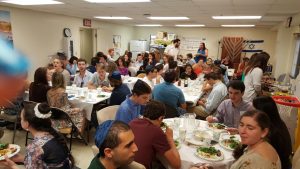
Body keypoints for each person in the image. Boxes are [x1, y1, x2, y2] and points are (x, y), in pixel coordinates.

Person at [0, 102, 73, 169]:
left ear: (27, 124)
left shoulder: (35, 147)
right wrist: (22, 158)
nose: (20, 120)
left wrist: (12, 166)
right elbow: (43, 161)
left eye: (21, 118)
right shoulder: (54, 133)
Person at [129, 100, 181, 169]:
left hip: (125, 165)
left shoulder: (132, 122)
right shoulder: (156, 131)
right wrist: (170, 138)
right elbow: (177, 165)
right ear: (160, 118)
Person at [253, 96, 292, 169]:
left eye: (254, 110)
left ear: (263, 112)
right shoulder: (277, 122)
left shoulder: (271, 132)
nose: (252, 113)